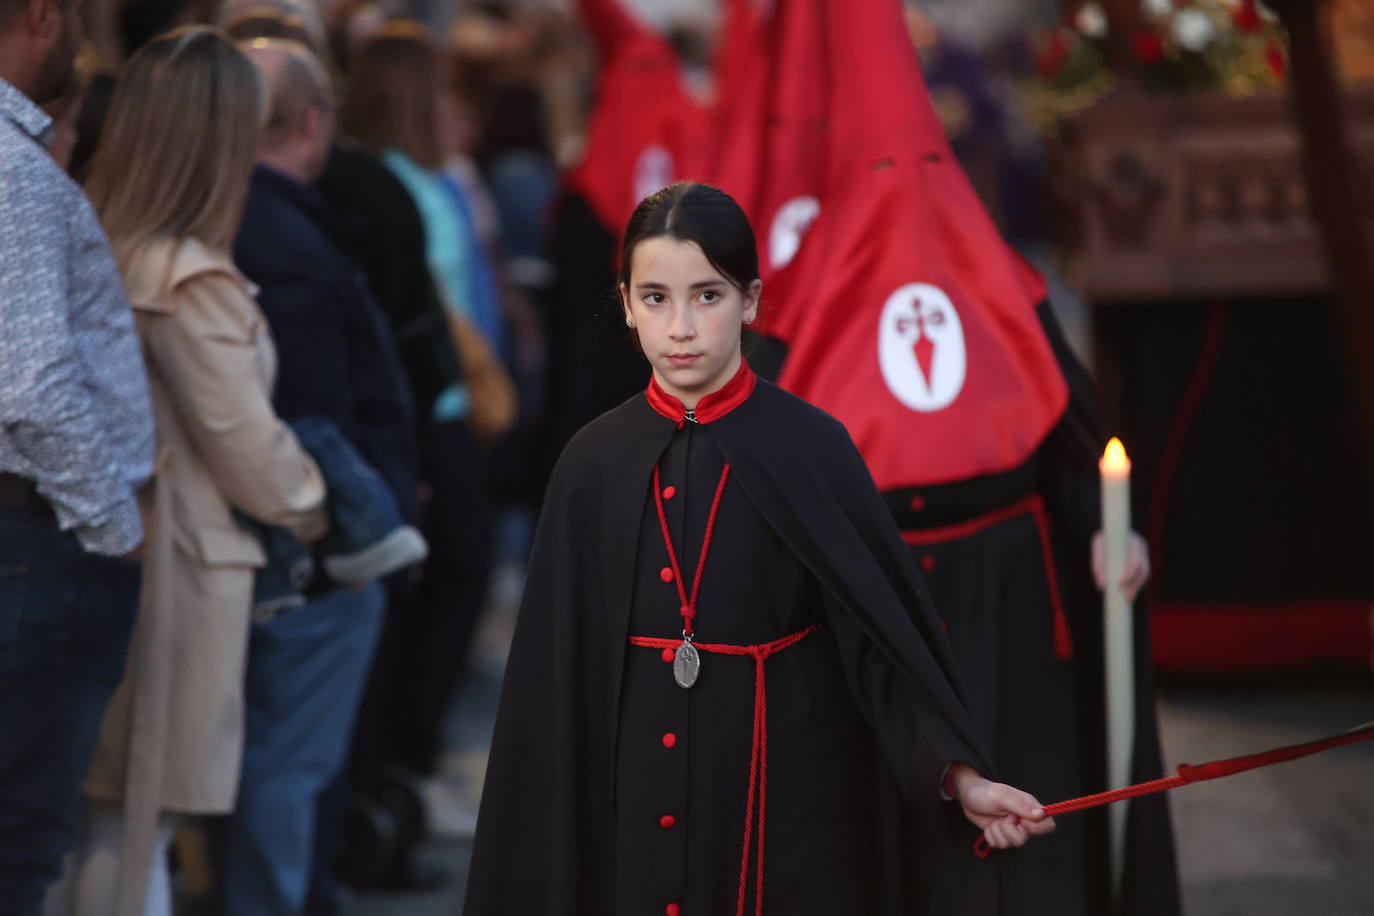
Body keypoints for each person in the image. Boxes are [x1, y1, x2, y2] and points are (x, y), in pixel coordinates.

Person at [464, 182, 1054, 915]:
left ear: (750, 302)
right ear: (626, 305)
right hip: (627, 801)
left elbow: (877, 648)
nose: (681, 327)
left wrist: (958, 777)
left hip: (783, 809)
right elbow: (551, 687)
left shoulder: (811, 447)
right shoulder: (590, 462)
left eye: (707, 296)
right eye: (656, 299)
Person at [42, 28, 329, 916]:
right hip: (179, 568)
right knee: (136, 829)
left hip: (114, 551)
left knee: (91, 820)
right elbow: (250, 451)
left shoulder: (101, 240)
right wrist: (320, 503)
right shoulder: (190, 278)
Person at [212, 37, 418, 914]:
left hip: (286, 543)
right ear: (311, 120)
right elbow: (311, 420)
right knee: (288, 764)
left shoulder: (252, 218)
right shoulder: (284, 235)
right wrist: (357, 521)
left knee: (279, 762)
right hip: (311, 552)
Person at [0, 0, 154, 908]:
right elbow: (30, 386)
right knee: (19, 844)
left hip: (36, 535)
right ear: (41, 16)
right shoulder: (15, 172)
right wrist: (115, 527)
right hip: (34, 540)